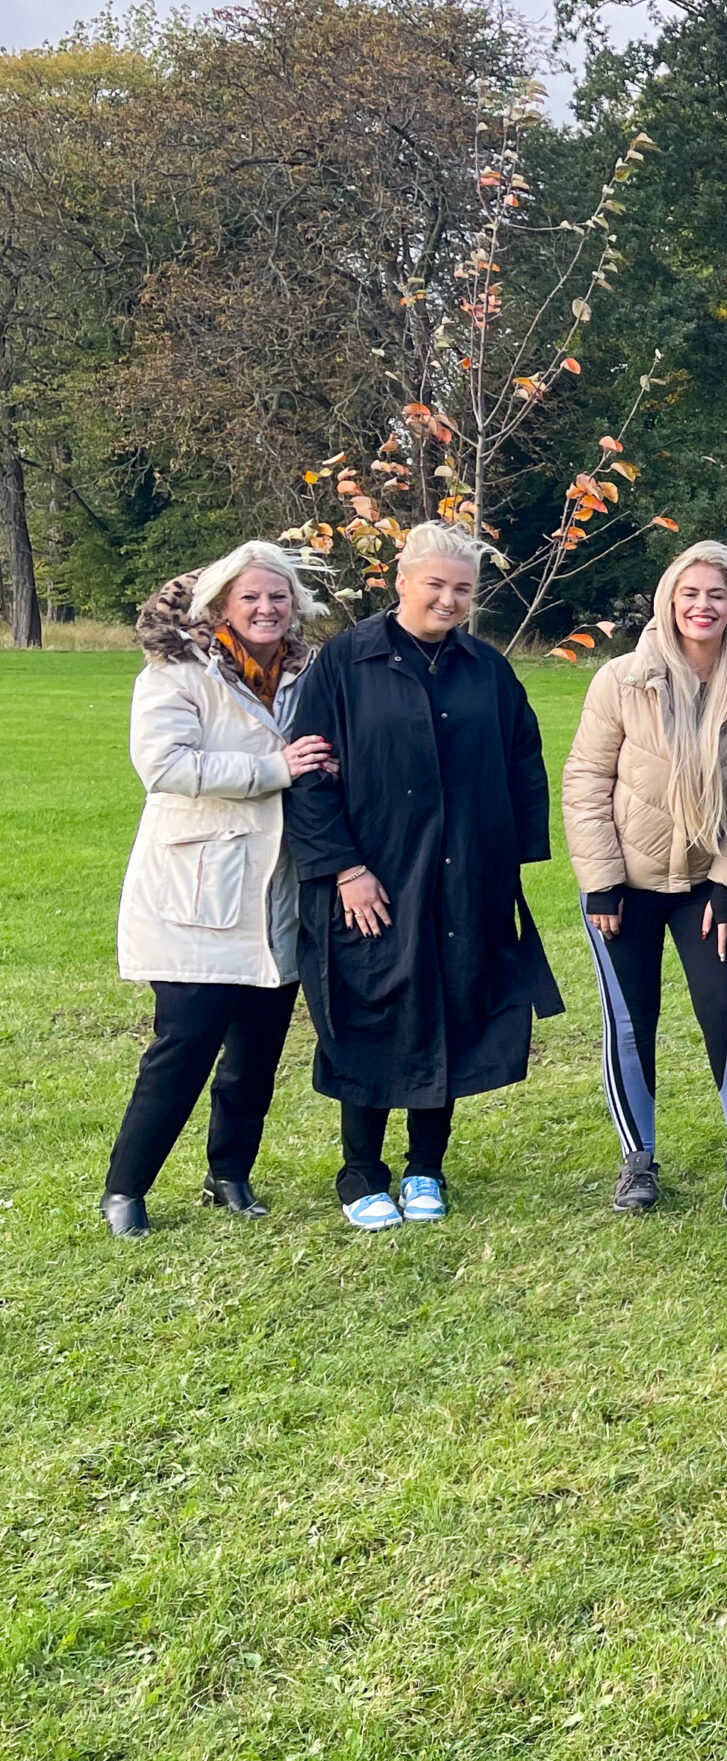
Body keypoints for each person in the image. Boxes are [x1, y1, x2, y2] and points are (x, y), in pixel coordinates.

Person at [284, 524, 564, 1230]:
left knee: (452, 1008)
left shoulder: (487, 669)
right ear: (401, 580)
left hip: (465, 877)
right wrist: (345, 869)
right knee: (370, 1012)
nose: (448, 599)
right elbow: (310, 777)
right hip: (374, 876)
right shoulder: (344, 663)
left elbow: (523, 764)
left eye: (462, 588)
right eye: (435, 584)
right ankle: (361, 1171)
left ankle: (426, 1167)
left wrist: (507, 864)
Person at [102, 544, 334, 1236]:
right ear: (219, 607)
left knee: (255, 1056)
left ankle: (228, 1174)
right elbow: (164, 765)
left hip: (277, 890)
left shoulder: (306, 674)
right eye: (250, 598)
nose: (266, 609)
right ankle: (126, 1189)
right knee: (184, 1046)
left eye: (278, 597)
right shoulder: (177, 672)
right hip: (196, 891)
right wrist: (274, 768)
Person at [564, 542, 727, 1215]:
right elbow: (584, 782)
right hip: (622, 887)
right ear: (668, 600)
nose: (702, 605)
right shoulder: (622, 679)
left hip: (705, 886)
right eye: (689, 593)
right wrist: (601, 880)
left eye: (715, 595)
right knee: (630, 1022)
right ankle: (637, 1160)